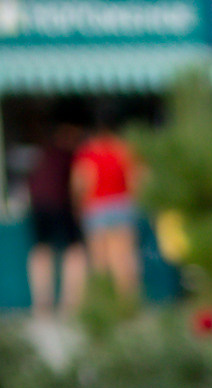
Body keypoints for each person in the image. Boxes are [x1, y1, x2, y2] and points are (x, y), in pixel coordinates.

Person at [72, 120, 141, 300]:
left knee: (99, 261)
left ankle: (104, 301)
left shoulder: (88, 152)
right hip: (122, 204)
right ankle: (127, 300)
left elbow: (82, 181)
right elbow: (136, 178)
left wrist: (78, 205)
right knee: (123, 259)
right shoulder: (124, 149)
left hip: (96, 207)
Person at [25, 122, 87, 315]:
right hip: (60, 205)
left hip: (38, 206)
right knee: (74, 251)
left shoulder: (42, 154)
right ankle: (69, 302)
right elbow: (79, 183)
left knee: (42, 251)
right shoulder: (69, 156)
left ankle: (42, 303)